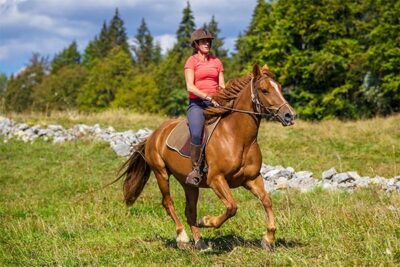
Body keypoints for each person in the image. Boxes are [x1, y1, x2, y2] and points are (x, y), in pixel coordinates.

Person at [184, 28, 225, 186]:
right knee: (196, 133)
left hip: (215, 103)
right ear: (196, 44)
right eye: (203, 41)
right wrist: (208, 97)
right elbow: (190, 87)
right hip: (198, 104)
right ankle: (196, 169)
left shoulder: (217, 62)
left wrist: (225, 97)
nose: (207, 43)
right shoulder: (191, 61)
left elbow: (221, 85)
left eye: (209, 41)